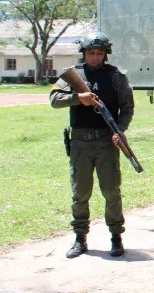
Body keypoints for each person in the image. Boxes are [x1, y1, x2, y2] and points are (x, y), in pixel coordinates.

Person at [50, 31, 135, 259]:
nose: (95, 57)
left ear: (106, 54)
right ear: (83, 53)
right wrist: (79, 98)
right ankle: (80, 238)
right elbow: (53, 100)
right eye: (90, 53)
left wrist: (120, 130)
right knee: (80, 193)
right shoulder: (73, 74)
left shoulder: (116, 76)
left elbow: (127, 107)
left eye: (99, 53)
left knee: (111, 192)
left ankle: (116, 236)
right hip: (80, 142)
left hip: (106, 141)